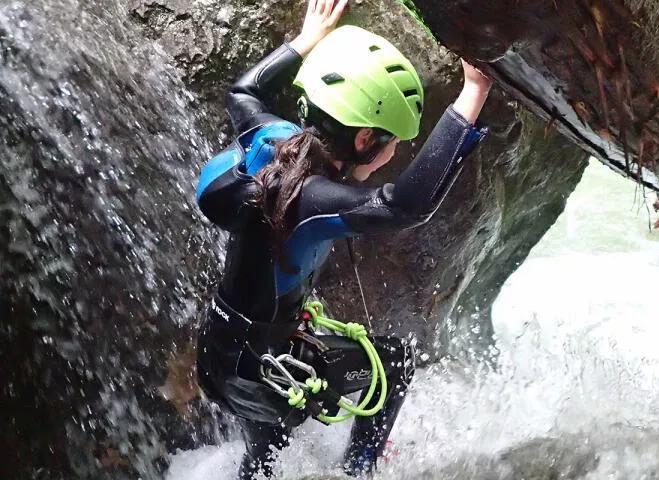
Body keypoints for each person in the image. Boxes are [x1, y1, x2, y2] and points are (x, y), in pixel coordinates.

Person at [194, 0, 493, 477]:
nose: (394, 152)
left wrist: (305, 40)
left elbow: (243, 91)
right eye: (392, 141)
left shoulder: (271, 137)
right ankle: (359, 470)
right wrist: (473, 93)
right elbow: (403, 205)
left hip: (217, 356)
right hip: (263, 375)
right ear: (364, 139)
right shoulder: (312, 200)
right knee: (393, 362)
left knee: (268, 447)